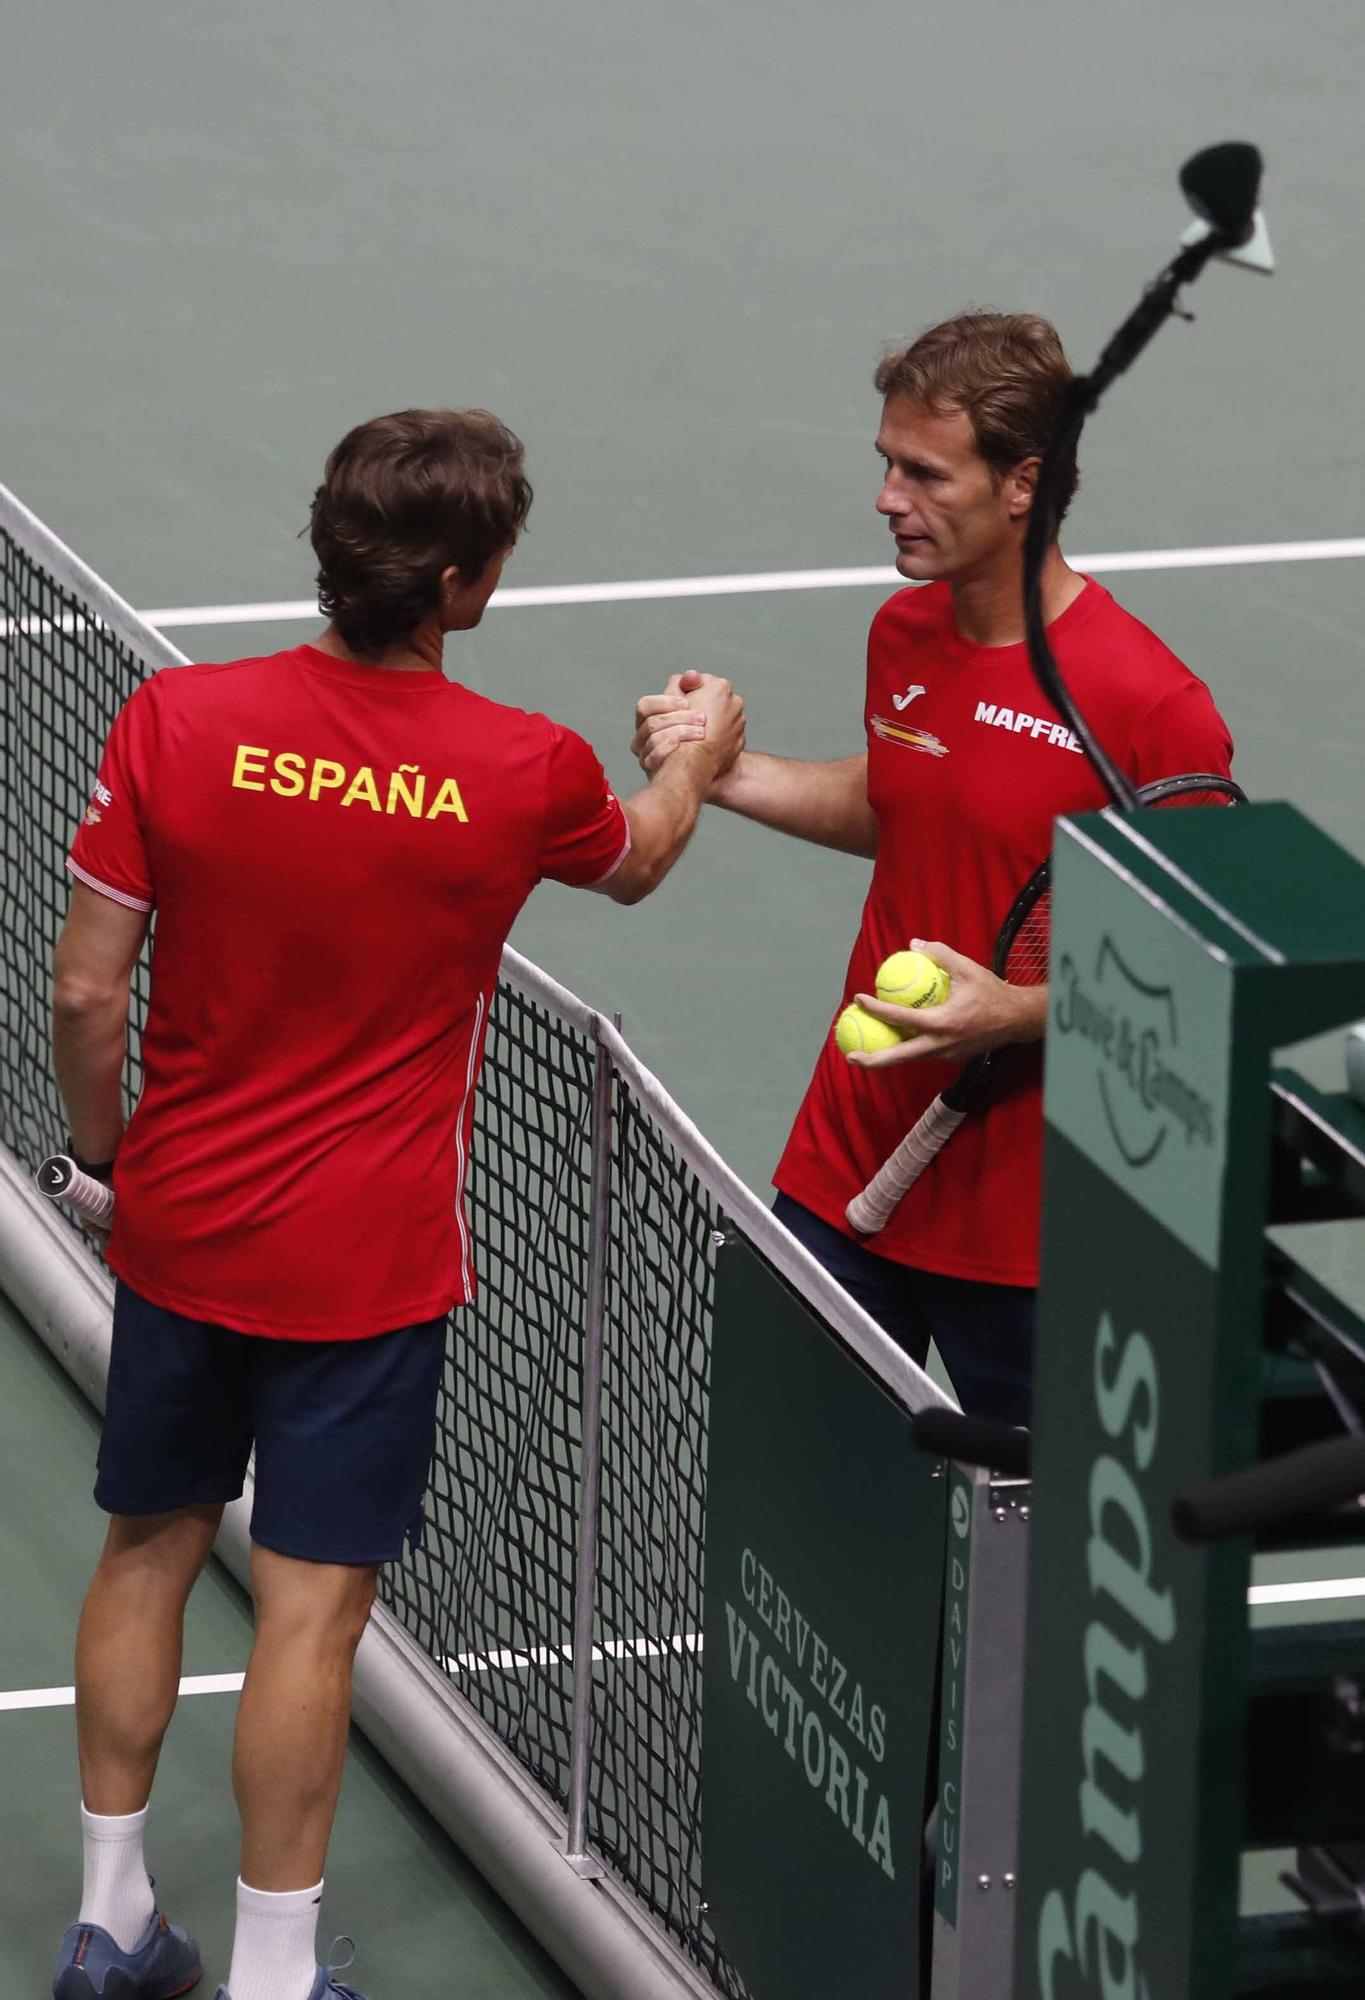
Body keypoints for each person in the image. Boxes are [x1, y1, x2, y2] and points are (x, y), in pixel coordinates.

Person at [49, 408, 743, 2000]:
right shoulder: (523, 771)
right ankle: (280, 1983)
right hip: (364, 1268)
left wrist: (107, 1164)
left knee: (142, 1549)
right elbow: (636, 858)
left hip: (179, 1232)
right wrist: (693, 752)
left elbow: (91, 995)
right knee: (309, 1613)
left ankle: (113, 1929)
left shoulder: (177, 720)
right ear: (466, 581)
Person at [632, 311, 1233, 1425]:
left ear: (1024, 486)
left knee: (1046, 1552)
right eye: (885, 464)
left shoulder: (1148, 705)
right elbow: (913, 800)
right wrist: (719, 769)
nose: (887, 496)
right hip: (848, 1166)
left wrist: (1014, 1010)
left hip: (1031, 1226)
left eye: (923, 471)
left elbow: (1204, 972)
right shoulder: (906, 631)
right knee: (792, 1519)